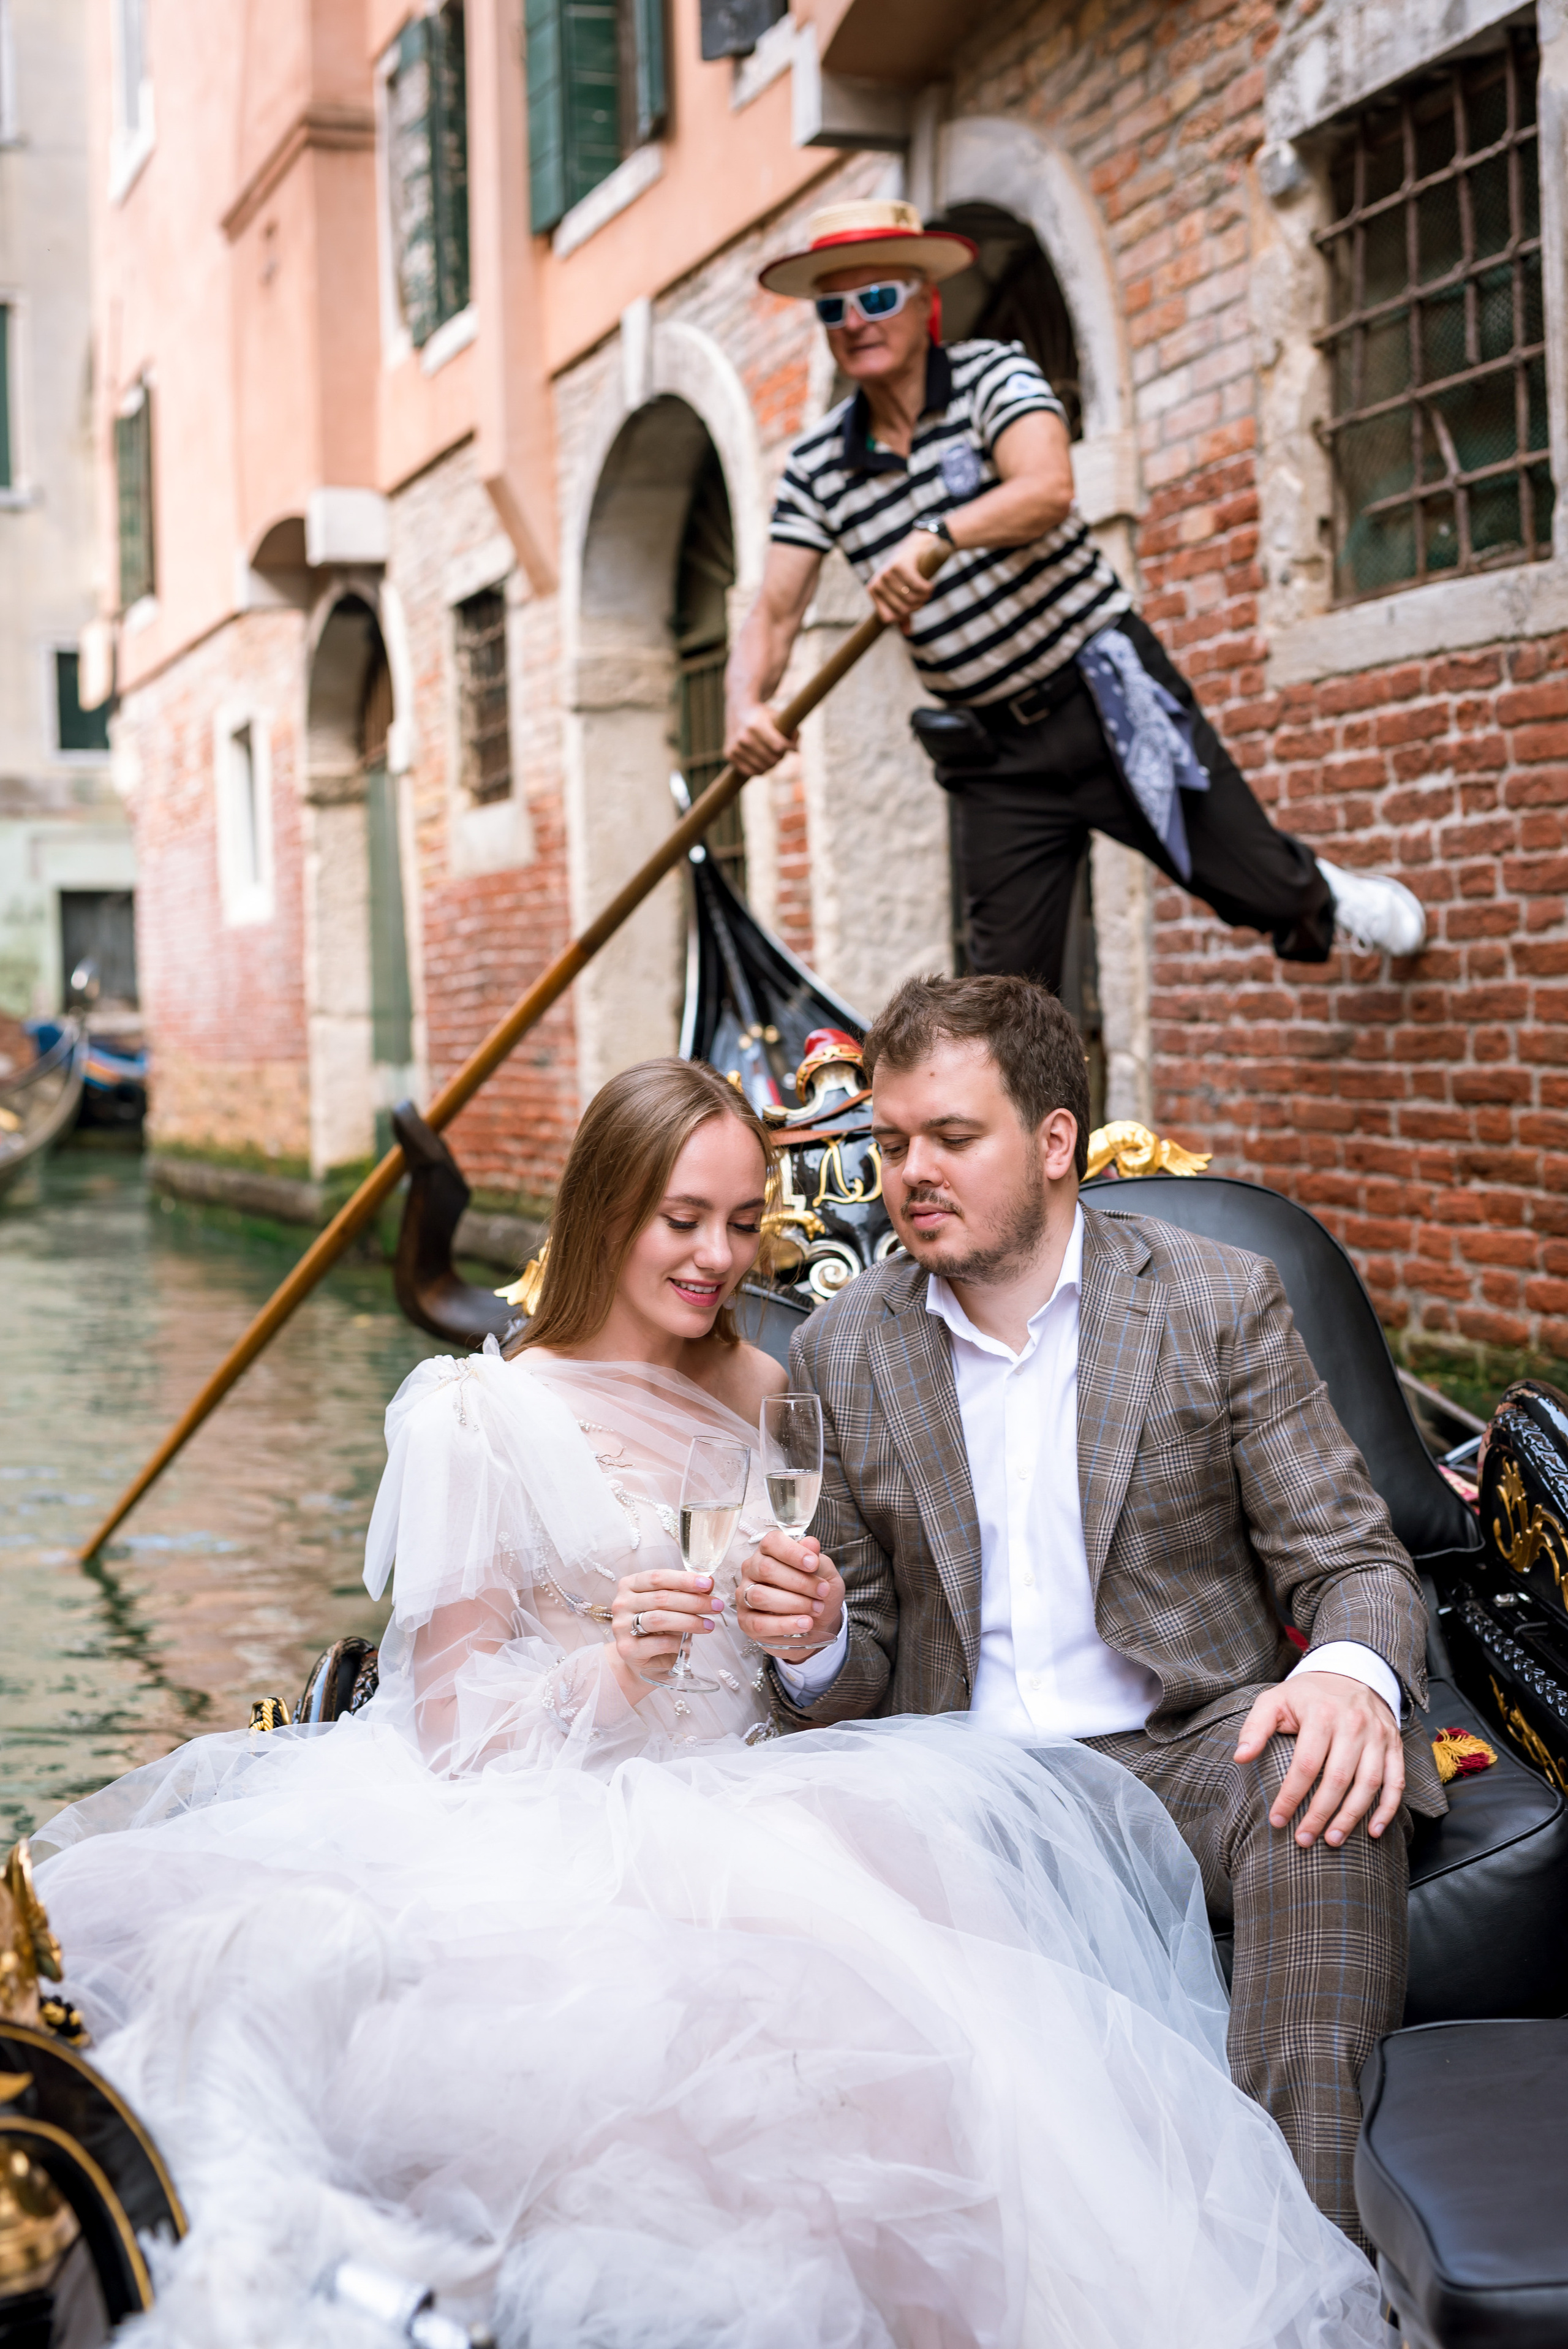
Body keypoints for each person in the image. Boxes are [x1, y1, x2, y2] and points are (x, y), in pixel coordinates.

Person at [29, 1059, 1384, 2349]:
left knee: (939, 2075)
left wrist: (815, 1626)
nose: (716, 1259)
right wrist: (611, 1672)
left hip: (780, 1798)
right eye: (680, 1221)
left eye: (743, 1223)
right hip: (551, 1825)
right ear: (604, 1212)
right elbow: (446, 1738)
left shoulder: (770, 1389)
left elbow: (832, 1648)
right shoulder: (472, 1416)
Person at [737, 974, 1441, 2249]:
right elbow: (858, 1669)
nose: (909, 1174)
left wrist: (1344, 1675)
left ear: (1055, 1142)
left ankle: (1300, 2271)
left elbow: (1352, 1561)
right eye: (890, 1144)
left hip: (1185, 1752)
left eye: (952, 1139)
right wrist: (817, 1639)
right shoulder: (843, 1350)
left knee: (1323, 1792)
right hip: (956, 1783)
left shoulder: (1212, 1302)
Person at [725, 197, 1427, 985]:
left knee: (1257, 883)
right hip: (993, 754)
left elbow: (1048, 488)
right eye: (834, 307)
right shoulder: (819, 464)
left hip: (1106, 692)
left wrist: (938, 534)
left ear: (926, 300)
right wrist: (746, 704)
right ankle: (1043, 1111)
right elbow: (774, 610)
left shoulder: (994, 375)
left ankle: (1320, 894)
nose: (856, 320)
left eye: (878, 296)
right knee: (1006, 1002)